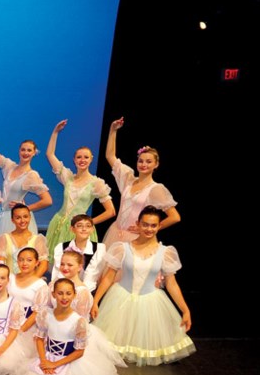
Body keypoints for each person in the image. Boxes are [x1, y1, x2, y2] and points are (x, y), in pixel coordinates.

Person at [10, 278, 134, 375]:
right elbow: (39, 339)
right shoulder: (46, 314)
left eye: (68, 293)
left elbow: (79, 352)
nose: (64, 297)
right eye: (60, 293)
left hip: (68, 361)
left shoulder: (78, 321)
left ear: (74, 295)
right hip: (49, 356)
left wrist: (55, 365)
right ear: (53, 295)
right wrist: (44, 360)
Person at [92, 206, 195, 366]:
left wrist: (185, 310)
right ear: (138, 224)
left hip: (150, 302)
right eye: (145, 224)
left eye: (153, 225)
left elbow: (172, 284)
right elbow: (108, 277)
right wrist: (96, 300)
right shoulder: (122, 248)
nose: (149, 229)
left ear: (159, 226)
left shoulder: (166, 252)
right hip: (121, 299)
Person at [102, 117, 180, 247]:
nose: (144, 164)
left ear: (156, 165)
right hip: (115, 234)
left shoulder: (156, 189)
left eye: (149, 162)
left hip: (136, 239)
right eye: (141, 161)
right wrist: (113, 130)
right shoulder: (128, 179)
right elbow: (110, 156)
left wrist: (148, 228)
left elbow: (175, 217)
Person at [0, 112, 52, 248]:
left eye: (29, 150)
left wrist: (26, 208)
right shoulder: (9, 166)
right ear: (19, 150)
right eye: (23, 149)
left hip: (17, 219)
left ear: (34, 153)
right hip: (1, 216)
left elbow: (47, 200)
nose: (25, 152)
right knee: (0, 252)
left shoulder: (32, 175)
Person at [44, 119, 115, 247]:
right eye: (79, 157)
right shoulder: (68, 177)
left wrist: (88, 223)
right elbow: (50, 154)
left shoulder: (96, 183)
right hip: (58, 225)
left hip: (79, 230)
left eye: (86, 157)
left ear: (91, 159)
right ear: (74, 159)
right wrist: (55, 132)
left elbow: (111, 211)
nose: (82, 160)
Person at [50, 214, 107, 292]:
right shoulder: (61, 247)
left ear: (92, 229)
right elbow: (59, 273)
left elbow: (92, 276)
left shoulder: (99, 248)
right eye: (79, 226)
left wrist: (81, 292)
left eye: (88, 226)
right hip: (63, 289)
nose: (84, 229)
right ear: (72, 229)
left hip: (87, 290)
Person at [0, 204, 49, 277]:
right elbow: (0, 263)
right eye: (18, 218)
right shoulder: (4, 238)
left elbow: (44, 264)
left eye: (25, 217)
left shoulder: (38, 239)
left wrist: (30, 282)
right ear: (12, 220)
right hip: (9, 282)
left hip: (31, 282)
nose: (22, 220)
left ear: (30, 217)